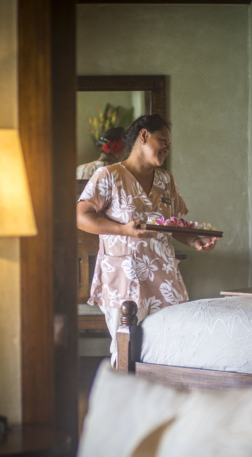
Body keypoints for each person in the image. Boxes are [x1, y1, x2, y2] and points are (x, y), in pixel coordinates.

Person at [76, 114, 218, 365]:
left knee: (171, 349)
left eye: (169, 144)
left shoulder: (166, 180)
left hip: (164, 279)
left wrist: (195, 241)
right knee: (126, 352)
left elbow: (173, 225)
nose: (166, 148)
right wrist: (124, 230)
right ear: (143, 136)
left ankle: (161, 403)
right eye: (162, 140)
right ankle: (125, 402)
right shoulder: (108, 176)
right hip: (124, 279)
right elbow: (80, 217)